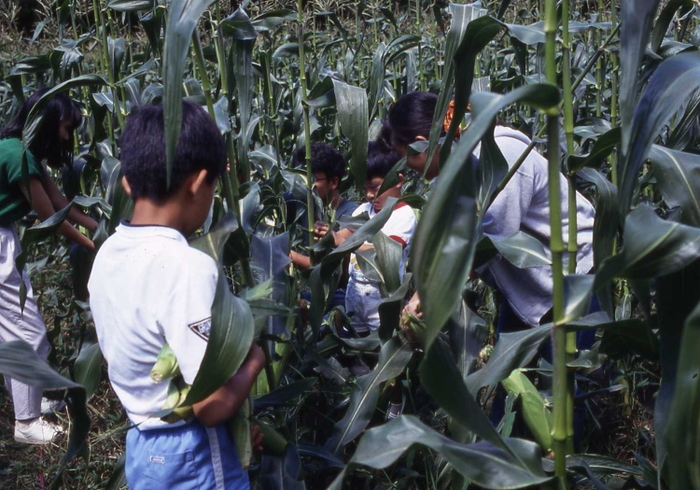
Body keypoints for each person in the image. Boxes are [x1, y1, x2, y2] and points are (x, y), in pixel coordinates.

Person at [88, 101, 265, 489]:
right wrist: (254, 359)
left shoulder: (106, 257)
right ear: (200, 183)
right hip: (195, 455)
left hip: (144, 447)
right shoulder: (187, 267)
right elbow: (210, 405)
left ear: (127, 184)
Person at [382, 91, 595, 331]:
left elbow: (492, 240)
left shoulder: (500, 155)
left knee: (568, 367)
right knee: (509, 364)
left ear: (421, 143)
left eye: (405, 159)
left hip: (572, 281)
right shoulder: (456, 172)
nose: (408, 169)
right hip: (530, 290)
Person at [0, 89, 97, 444]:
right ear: (47, 123)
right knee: (28, 333)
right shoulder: (18, 157)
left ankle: (31, 407)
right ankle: (26, 423)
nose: (68, 137)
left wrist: (99, 230)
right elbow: (51, 217)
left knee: (11, 333)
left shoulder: (22, 150)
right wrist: (95, 247)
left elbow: (59, 201)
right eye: (66, 128)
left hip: (4, 237)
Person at [329, 142, 417, 336]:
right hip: (355, 295)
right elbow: (341, 236)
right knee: (355, 345)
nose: (369, 195)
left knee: (380, 347)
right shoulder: (363, 211)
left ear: (398, 180)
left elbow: (384, 254)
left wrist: (343, 244)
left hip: (382, 300)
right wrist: (328, 235)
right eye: (366, 188)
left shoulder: (404, 216)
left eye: (375, 188)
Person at [288, 143, 358, 270]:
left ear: (334, 182)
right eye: (300, 178)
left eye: (311, 179)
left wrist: (284, 255)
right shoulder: (301, 203)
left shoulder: (352, 215)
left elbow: (326, 268)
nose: (304, 184)